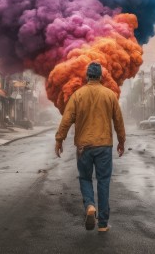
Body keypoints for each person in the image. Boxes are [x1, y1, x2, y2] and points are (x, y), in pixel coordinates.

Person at [55, 62, 126, 233]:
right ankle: (102, 224)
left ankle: (89, 206)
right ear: (101, 76)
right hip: (104, 146)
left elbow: (66, 119)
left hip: (84, 146)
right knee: (103, 181)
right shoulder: (110, 95)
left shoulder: (78, 95)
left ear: (87, 76)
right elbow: (118, 121)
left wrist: (59, 139)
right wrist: (121, 141)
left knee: (85, 178)